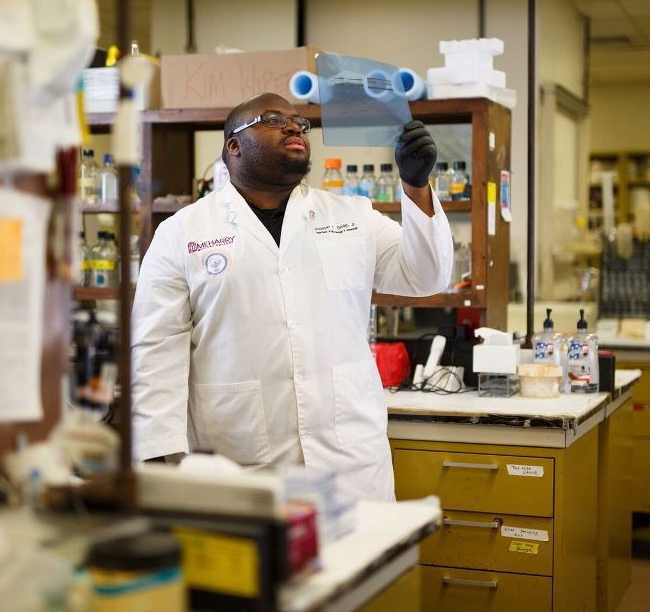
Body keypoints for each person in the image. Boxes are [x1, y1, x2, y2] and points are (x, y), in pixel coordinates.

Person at [131, 92, 453, 501]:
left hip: (350, 464)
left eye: (300, 123)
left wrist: (416, 186)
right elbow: (155, 352)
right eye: (272, 119)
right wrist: (159, 462)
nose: (293, 127)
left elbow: (426, 276)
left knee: (361, 562)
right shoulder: (182, 233)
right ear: (234, 147)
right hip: (240, 465)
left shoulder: (352, 217)